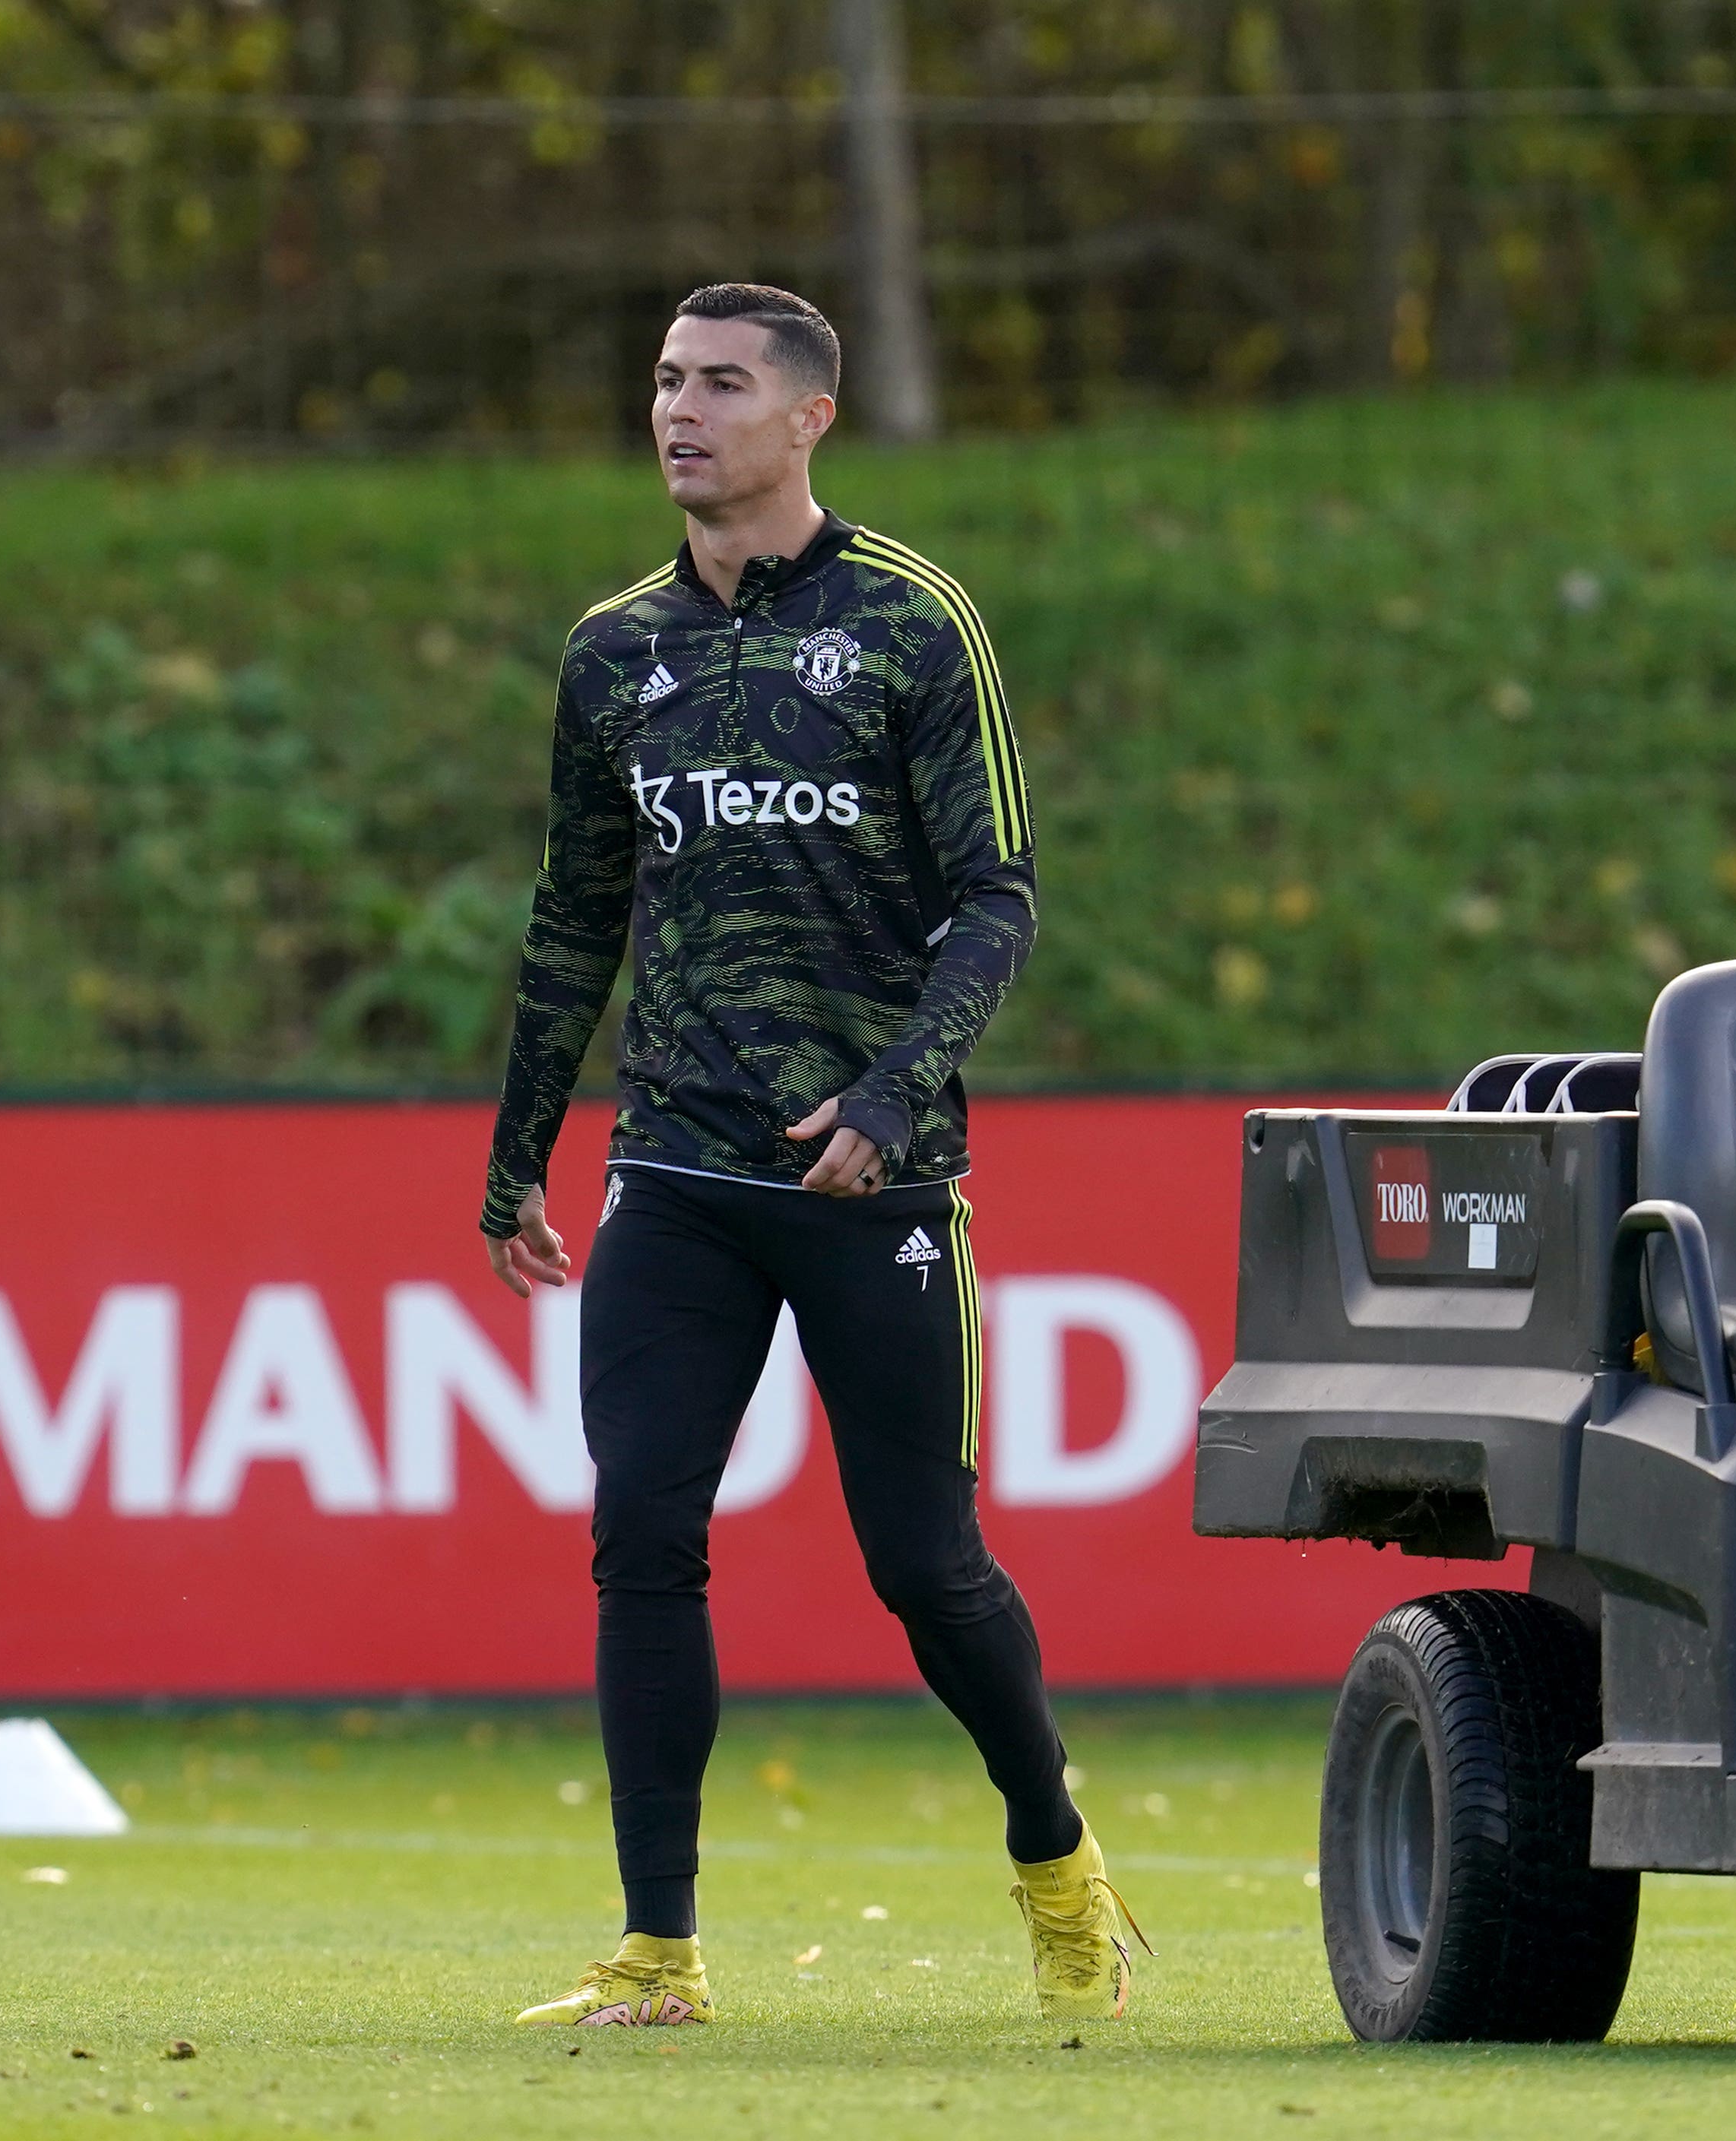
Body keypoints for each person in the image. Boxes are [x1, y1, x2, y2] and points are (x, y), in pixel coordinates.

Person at [477, 281, 1138, 2029]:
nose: (677, 411)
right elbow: (575, 916)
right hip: (678, 1168)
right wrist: (517, 1154)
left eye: (716, 384)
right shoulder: (613, 649)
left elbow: (997, 892)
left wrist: (894, 1091)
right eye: (662, 382)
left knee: (924, 1564)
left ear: (807, 417)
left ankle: (1054, 1848)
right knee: (640, 1528)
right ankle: (657, 1948)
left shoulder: (914, 622)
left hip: (871, 1177)